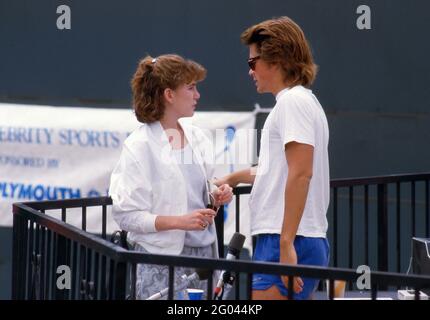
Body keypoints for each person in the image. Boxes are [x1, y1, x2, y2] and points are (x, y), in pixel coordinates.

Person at [215, 17, 330, 300]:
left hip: (288, 238)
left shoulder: (293, 103)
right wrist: (231, 178)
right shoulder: (301, 102)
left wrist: (286, 242)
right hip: (294, 237)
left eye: (252, 63)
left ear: (276, 60)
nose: (250, 71)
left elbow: (301, 173)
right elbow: (279, 170)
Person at [109, 54, 233, 300]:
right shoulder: (139, 146)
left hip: (205, 258)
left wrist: (216, 194)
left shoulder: (197, 136)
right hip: (161, 262)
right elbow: (126, 216)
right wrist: (179, 221)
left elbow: (199, 188)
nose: (197, 95)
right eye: (191, 87)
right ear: (169, 95)